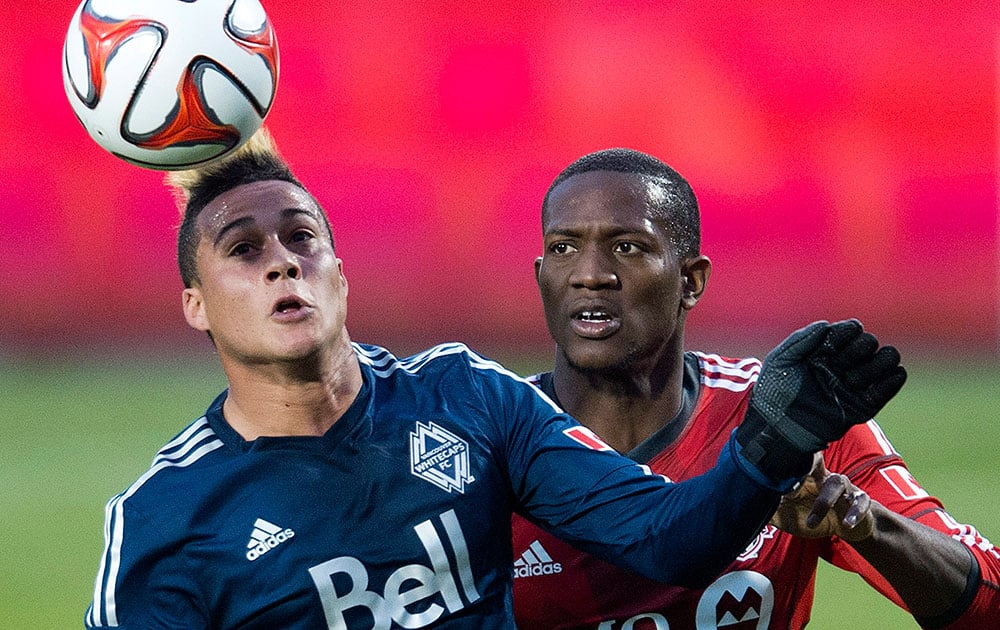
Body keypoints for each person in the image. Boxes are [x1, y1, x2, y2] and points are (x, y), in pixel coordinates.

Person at [82, 129, 905, 630]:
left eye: (302, 237)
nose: (282, 262)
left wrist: (775, 439)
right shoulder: (163, 523)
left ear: (339, 271)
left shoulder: (465, 398)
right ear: (195, 305)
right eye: (244, 250)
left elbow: (668, 538)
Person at [511, 148, 1000, 629]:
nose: (591, 274)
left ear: (691, 281)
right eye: (564, 248)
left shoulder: (785, 416)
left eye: (628, 247)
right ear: (540, 279)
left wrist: (862, 522)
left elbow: (990, 600)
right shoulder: (485, 436)